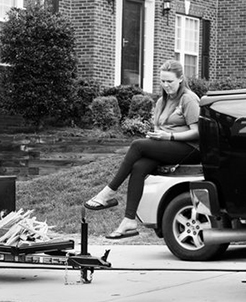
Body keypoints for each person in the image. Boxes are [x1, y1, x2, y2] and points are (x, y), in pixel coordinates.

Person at [83, 60, 200, 239]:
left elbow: (197, 132)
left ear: (181, 79)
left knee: (137, 145)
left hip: (190, 148)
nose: (166, 85)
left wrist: (169, 137)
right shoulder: (162, 101)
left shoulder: (188, 99)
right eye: (162, 81)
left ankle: (109, 192)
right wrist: (156, 136)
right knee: (139, 167)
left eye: (170, 81)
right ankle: (129, 221)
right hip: (168, 146)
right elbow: (161, 128)